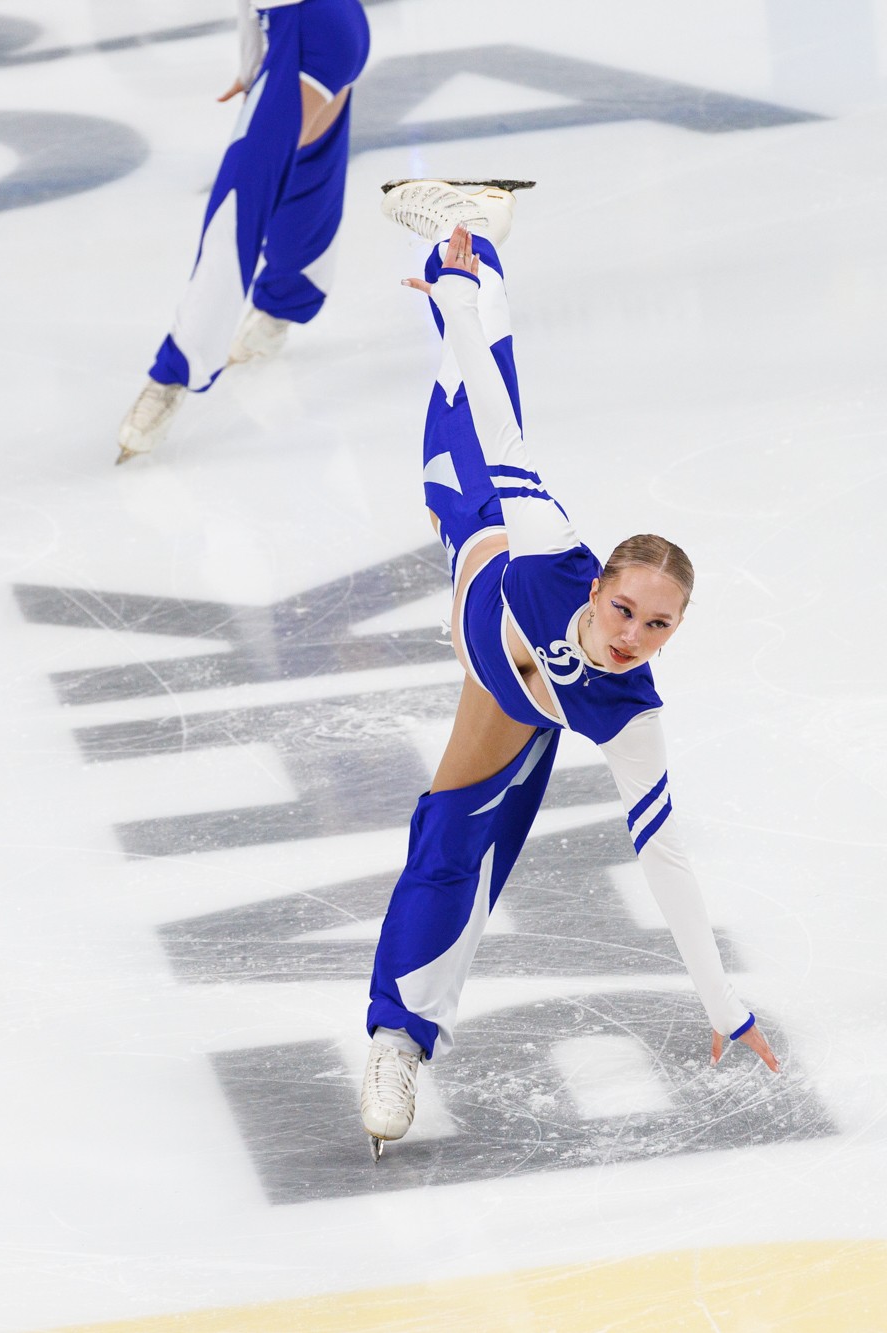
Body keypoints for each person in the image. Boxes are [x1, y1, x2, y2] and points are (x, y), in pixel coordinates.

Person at [359, 183, 782, 1160]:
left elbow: (666, 862)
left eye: (658, 625)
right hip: (480, 524)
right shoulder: (549, 545)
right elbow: (503, 422)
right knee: (462, 407)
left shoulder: (631, 715)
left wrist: (723, 1005)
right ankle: (472, 239)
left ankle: (396, 1041)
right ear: (597, 587)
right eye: (625, 608)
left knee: (453, 838)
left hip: (504, 693)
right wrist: (452, 299)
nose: (633, 633)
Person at [114, 0, 370, 464]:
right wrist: (252, 61)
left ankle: (170, 377)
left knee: (238, 200)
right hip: (326, 28)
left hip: (309, 38)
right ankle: (278, 310)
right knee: (308, 169)